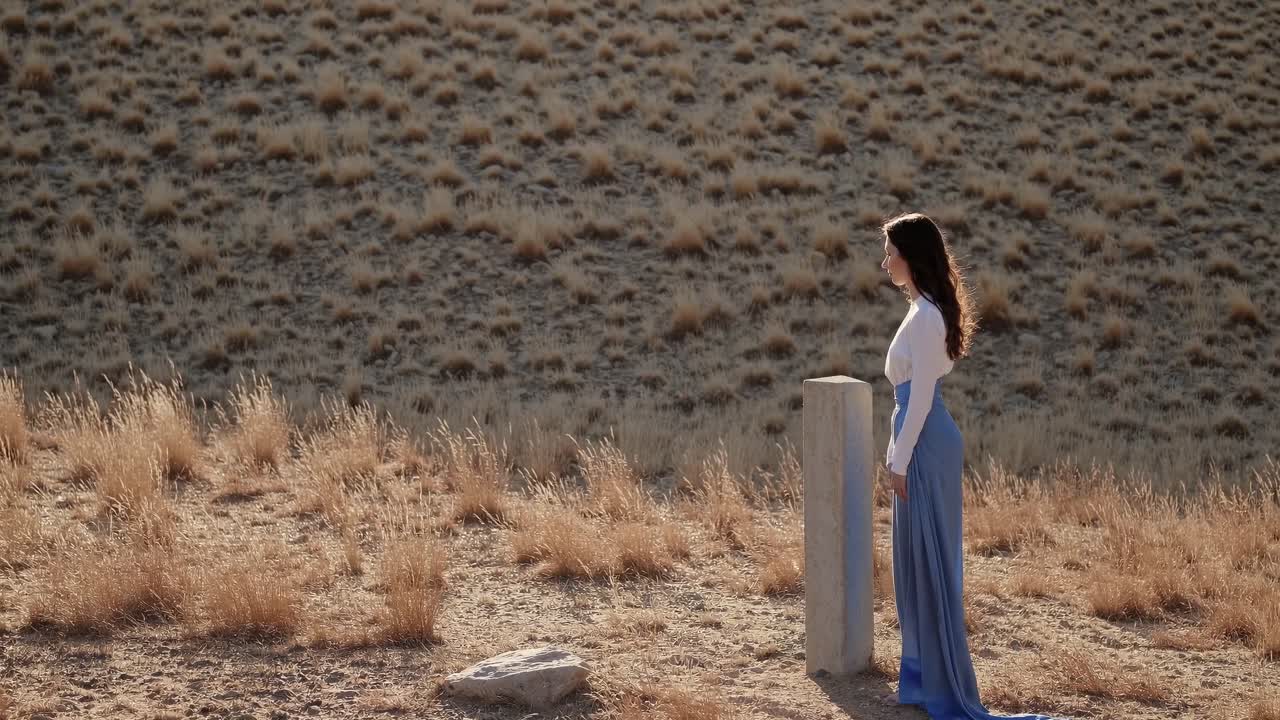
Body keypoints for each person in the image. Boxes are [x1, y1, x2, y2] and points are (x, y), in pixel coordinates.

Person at [878, 213, 1061, 720]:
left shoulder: (926, 317)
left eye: (891, 250)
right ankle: (921, 679)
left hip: (923, 443)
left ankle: (942, 687)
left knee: (929, 563)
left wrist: (897, 458)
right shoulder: (924, 310)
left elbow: (919, 402)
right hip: (922, 439)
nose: (886, 260)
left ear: (912, 256)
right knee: (918, 562)